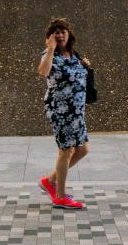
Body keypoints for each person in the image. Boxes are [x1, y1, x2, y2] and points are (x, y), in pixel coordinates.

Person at [37, 17, 89, 209]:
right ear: (50, 37)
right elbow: (43, 72)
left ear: (69, 35)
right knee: (66, 151)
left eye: (63, 32)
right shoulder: (49, 54)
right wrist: (50, 49)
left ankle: (49, 181)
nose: (60, 35)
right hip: (60, 110)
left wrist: (84, 65)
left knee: (82, 150)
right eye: (56, 33)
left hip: (76, 111)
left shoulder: (73, 55)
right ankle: (60, 196)